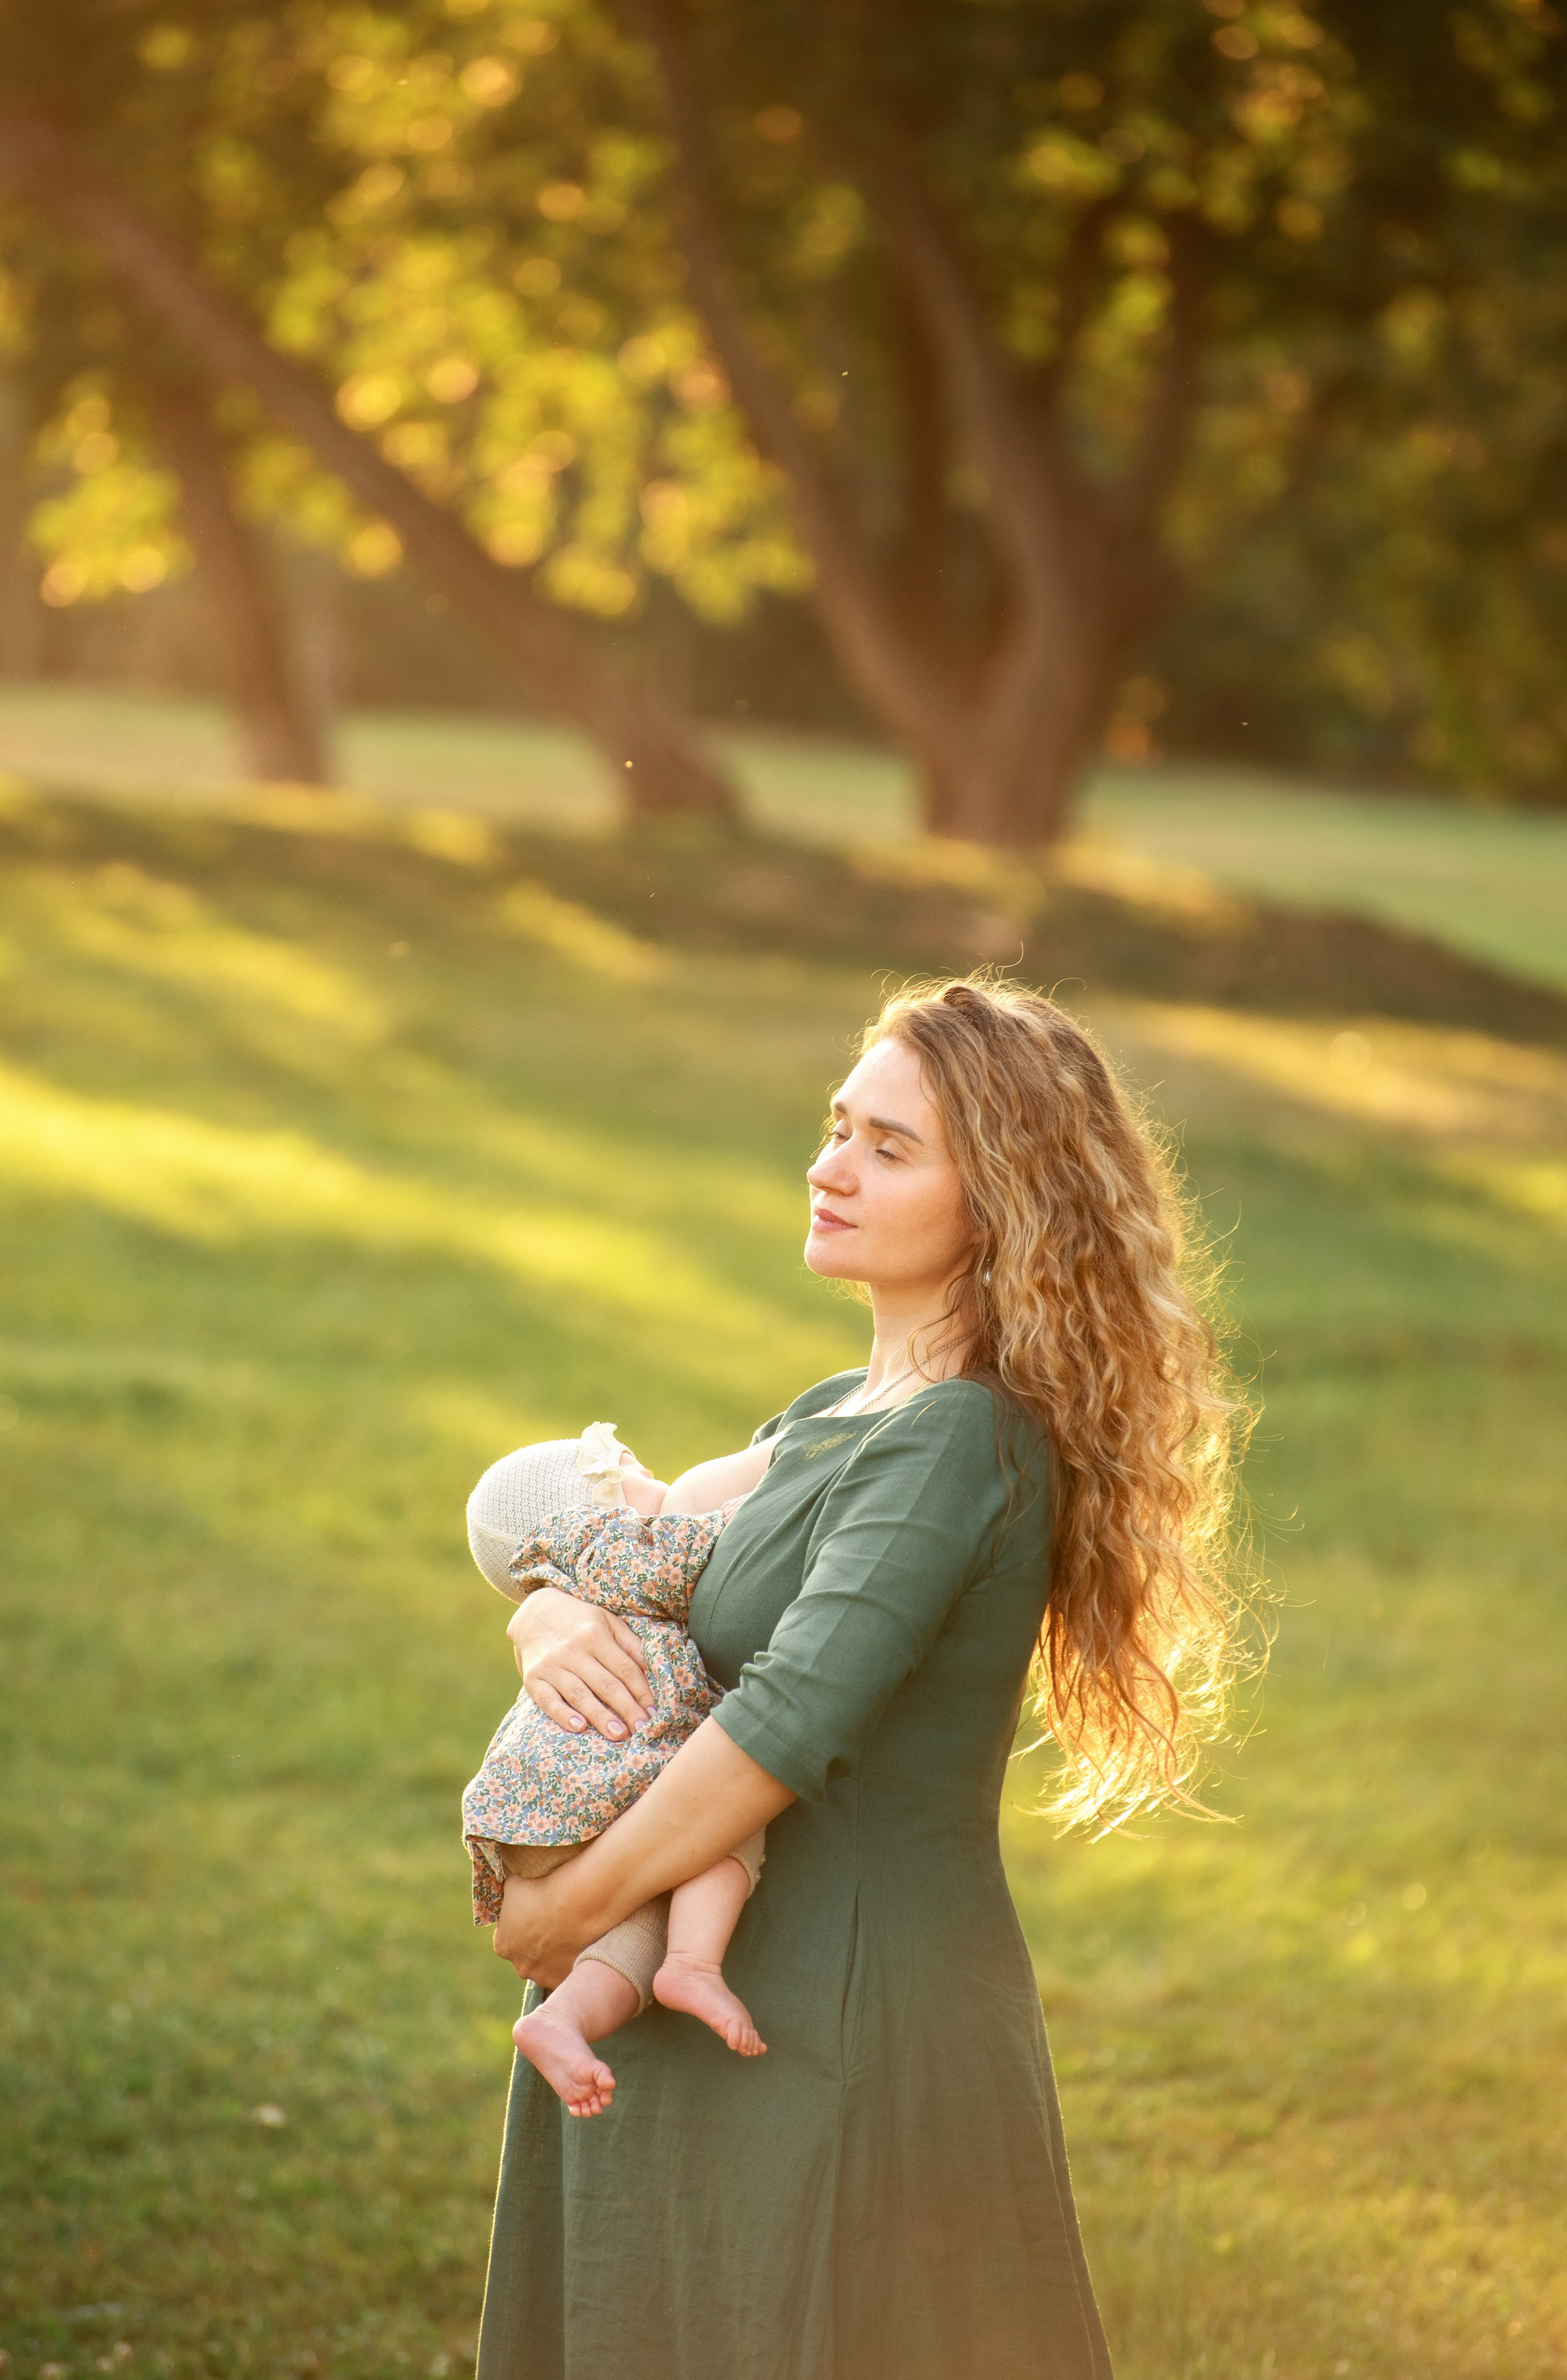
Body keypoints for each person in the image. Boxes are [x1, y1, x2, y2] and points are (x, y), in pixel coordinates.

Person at [477, 976, 1246, 2380]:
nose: (830, 1166)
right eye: (839, 1127)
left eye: (890, 1147)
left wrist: (569, 1909)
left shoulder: (958, 1439)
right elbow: (629, 1552)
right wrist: (542, 1616)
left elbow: (786, 1720)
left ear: (1000, 1201)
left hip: (838, 2015)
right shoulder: (831, 1414)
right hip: (688, 1994)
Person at [460, 1422, 783, 2114]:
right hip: (599, 1782)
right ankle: (694, 1962)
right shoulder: (601, 1542)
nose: (661, 1482)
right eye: (637, 1471)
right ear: (596, 1496)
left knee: (642, 1917)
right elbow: (680, 1559)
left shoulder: (573, 1571)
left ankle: (564, 2017)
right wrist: (746, 1515)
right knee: (727, 1820)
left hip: (546, 1815)